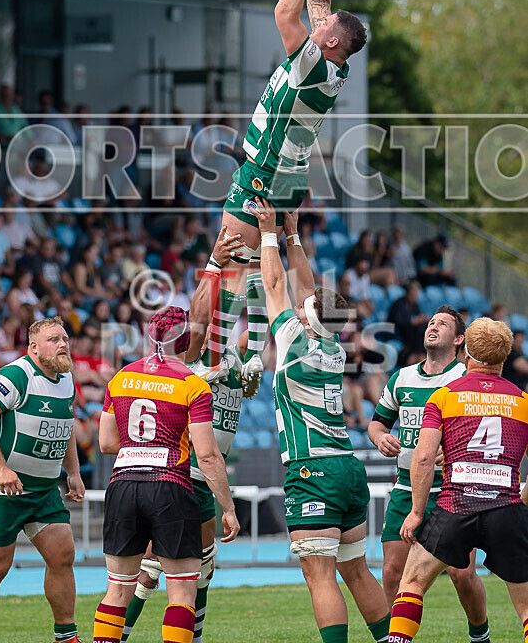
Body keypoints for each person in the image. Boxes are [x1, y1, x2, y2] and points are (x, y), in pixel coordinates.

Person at [198, 0, 367, 392]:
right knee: (258, 268)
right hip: (288, 176)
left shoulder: (312, 63)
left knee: (232, 265)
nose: (319, 22)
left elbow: (283, 11)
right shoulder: (332, 61)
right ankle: (253, 354)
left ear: (329, 42)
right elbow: (318, 3)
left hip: (266, 173)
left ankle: (214, 361)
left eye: (325, 27)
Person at [252, 198, 390, 643]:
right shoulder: (333, 346)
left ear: (307, 319)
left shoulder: (295, 340)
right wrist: (293, 234)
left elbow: (276, 284)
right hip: (347, 465)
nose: (298, 305)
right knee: (356, 569)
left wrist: (268, 233)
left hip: (313, 467)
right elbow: (309, 292)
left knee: (320, 575)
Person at [120, 227, 249, 643]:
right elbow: (199, 316)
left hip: (179, 475)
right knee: (178, 572)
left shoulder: (233, 357)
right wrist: (219, 263)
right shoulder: (190, 361)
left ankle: (126, 634)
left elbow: (255, 318)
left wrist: (246, 266)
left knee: (165, 570)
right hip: (186, 473)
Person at [92, 304, 240, 643]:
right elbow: (207, 455)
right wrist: (228, 508)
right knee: (182, 592)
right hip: (170, 485)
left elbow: (106, 442)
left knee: (117, 590)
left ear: (150, 337)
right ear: (186, 341)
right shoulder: (192, 384)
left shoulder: (121, 377)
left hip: (124, 483)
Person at [389, 317, 528, 643]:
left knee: (412, 584)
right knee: (526, 608)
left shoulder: (445, 396)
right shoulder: (523, 402)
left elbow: (424, 458)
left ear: (466, 353)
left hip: (455, 507)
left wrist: (417, 512)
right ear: (504, 357)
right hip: (506, 508)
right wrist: (523, 499)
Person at [369, 305, 489, 643]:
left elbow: (484, 430)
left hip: (452, 490)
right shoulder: (402, 378)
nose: (432, 327)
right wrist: (380, 437)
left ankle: (480, 636)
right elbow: (377, 423)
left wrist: (454, 448)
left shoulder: (464, 378)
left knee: (461, 574)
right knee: (393, 572)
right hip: (406, 489)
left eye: (443, 324)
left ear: (459, 339)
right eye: (431, 322)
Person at [0, 317, 85, 643]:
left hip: (43, 490)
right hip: (0, 490)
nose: (63, 344)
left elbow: (66, 426)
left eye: (65, 338)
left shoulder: (66, 379)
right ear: (34, 347)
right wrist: (0, 468)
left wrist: (74, 472)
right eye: (54, 340)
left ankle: (66, 636)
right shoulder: (15, 375)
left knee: (62, 555)